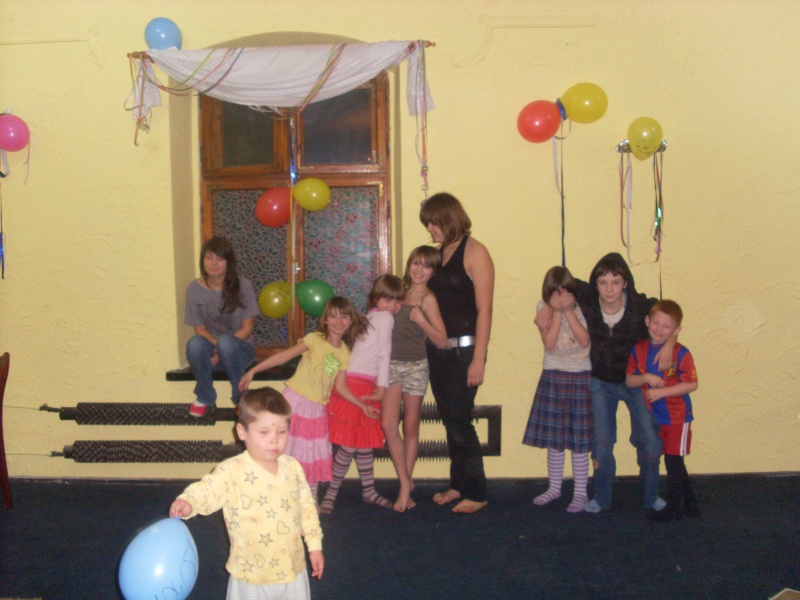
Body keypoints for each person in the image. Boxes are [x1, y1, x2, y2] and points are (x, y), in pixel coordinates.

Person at [536, 252, 675, 513]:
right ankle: (601, 498)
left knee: (650, 439)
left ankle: (651, 496)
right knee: (601, 442)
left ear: (625, 283)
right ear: (595, 283)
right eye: (603, 283)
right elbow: (558, 285)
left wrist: (670, 343)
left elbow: (669, 315)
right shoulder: (588, 298)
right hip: (600, 382)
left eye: (616, 282)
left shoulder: (640, 306)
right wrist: (548, 305)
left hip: (634, 380)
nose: (609, 289)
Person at [169, 388, 323, 599]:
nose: (274, 440)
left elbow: (307, 509)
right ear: (242, 432)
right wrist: (189, 501)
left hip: (292, 568)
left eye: (282, 432)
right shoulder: (232, 470)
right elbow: (208, 489)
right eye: (264, 432)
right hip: (251, 573)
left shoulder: (293, 467)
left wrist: (315, 546)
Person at [239, 296, 366, 503]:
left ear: (351, 321)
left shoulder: (344, 353)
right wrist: (253, 371)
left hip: (316, 410)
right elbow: (284, 356)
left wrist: (360, 404)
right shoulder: (315, 339)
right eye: (333, 316)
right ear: (325, 320)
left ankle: (309, 498)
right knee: (283, 448)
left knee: (310, 454)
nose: (338, 321)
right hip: (294, 403)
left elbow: (340, 386)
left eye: (344, 316)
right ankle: (275, 495)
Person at [419, 192, 494, 514]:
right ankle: (458, 485)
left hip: (465, 351)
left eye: (433, 223)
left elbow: (485, 309)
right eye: (427, 224)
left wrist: (478, 358)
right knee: (450, 421)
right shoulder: (439, 253)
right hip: (439, 350)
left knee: (460, 422)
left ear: (448, 218)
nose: (429, 229)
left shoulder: (475, 251)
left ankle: (477, 493)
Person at [320, 275, 405, 514]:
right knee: (349, 446)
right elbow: (384, 353)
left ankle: (369, 491)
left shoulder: (371, 317)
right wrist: (382, 387)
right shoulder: (383, 318)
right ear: (376, 298)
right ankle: (331, 494)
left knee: (364, 445)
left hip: (361, 383)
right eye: (388, 299)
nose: (393, 306)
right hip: (358, 385)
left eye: (397, 301)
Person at [382, 247, 451, 512]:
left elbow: (443, 341)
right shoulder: (398, 291)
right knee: (389, 425)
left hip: (415, 367)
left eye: (426, 266)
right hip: (390, 365)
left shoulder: (428, 298)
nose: (419, 270)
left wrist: (421, 320)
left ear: (433, 272)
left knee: (410, 428)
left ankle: (404, 487)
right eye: (416, 263)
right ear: (409, 264)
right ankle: (406, 482)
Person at [523, 266, 592, 513]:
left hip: (581, 376)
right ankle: (554, 487)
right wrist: (554, 311)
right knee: (555, 440)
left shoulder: (582, 308)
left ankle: (581, 492)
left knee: (579, 441)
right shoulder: (542, 308)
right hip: (553, 374)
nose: (561, 296)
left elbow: (585, 341)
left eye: (565, 292)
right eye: (555, 293)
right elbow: (550, 344)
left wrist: (568, 311)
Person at [626, 300, 699, 521]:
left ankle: (673, 508)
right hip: (656, 418)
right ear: (647, 321)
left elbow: (692, 384)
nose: (659, 329)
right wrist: (645, 378)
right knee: (675, 461)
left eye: (667, 326)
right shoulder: (639, 349)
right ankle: (691, 503)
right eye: (655, 323)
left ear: (676, 330)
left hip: (678, 418)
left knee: (673, 462)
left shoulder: (681, 353)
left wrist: (661, 393)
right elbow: (629, 380)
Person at [185, 235, 260, 418]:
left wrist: (222, 347)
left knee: (226, 342)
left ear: (228, 262)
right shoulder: (194, 289)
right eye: (209, 257)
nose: (214, 263)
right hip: (213, 354)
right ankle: (205, 396)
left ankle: (240, 397)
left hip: (241, 352)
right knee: (194, 344)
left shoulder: (243, 286)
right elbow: (200, 330)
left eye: (220, 258)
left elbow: (247, 328)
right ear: (202, 260)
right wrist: (217, 349)